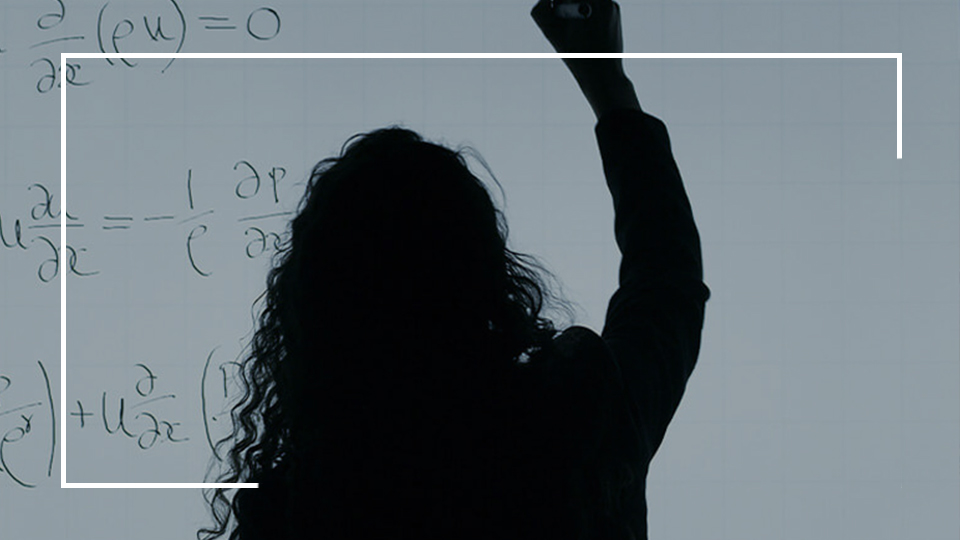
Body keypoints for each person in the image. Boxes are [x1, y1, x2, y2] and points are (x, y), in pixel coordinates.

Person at [198, 1, 710, 539]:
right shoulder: (577, 425)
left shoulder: (298, 509)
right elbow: (665, 280)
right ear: (486, 275)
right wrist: (607, 84)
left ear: (314, 306)